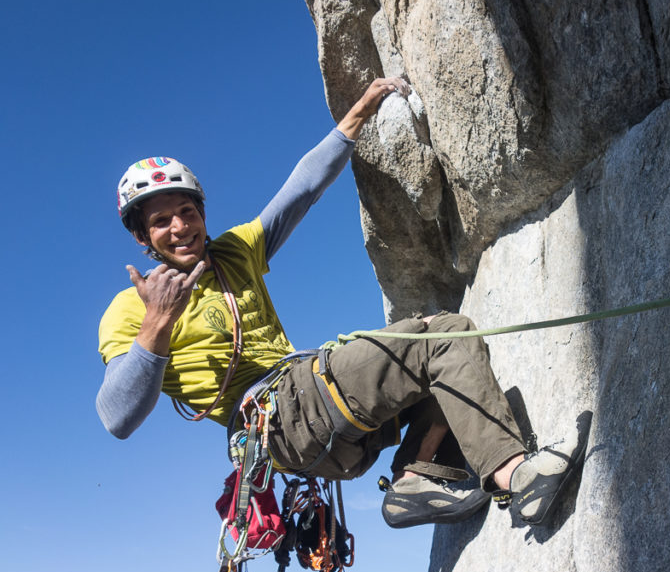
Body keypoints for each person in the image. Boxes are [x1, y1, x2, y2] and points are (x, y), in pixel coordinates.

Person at [97, 77, 587, 529]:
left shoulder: (235, 252)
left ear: (202, 213)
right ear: (143, 237)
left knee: (435, 352)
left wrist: (357, 116)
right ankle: (518, 477)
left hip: (316, 427)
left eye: (186, 211)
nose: (180, 227)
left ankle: (413, 479)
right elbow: (117, 418)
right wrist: (157, 324)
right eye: (161, 222)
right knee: (445, 337)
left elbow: (301, 190)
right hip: (277, 414)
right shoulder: (130, 309)